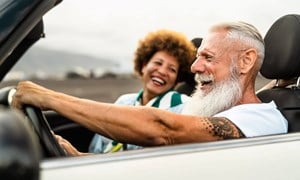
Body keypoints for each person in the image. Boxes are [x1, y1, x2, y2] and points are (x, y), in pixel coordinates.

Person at [12, 21, 288, 156]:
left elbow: (162, 130)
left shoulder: (262, 118)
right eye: (196, 57)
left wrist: (48, 97)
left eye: (207, 57)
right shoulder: (211, 113)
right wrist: (79, 158)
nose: (193, 67)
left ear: (245, 61)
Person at [89, 29, 196, 153]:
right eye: (158, 63)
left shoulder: (184, 107)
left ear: (177, 80)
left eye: (172, 69)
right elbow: (95, 150)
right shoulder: (124, 102)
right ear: (144, 65)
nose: (162, 71)